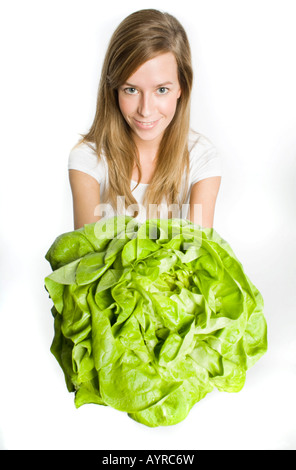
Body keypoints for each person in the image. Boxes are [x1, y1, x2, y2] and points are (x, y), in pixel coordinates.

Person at [68, 9, 222, 230]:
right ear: (114, 89)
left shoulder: (201, 156)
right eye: (131, 89)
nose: (145, 110)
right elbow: (85, 261)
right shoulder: (88, 158)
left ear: (181, 87)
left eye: (161, 90)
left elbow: (198, 255)